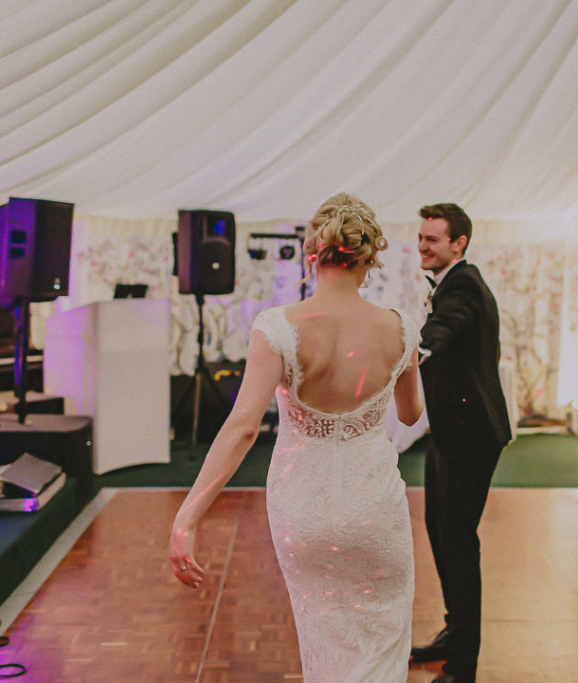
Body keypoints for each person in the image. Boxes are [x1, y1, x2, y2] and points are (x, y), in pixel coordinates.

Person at [169, 193, 423, 682]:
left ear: (313, 253)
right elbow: (410, 415)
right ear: (369, 258)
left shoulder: (277, 327)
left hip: (302, 511)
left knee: (323, 641)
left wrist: (187, 517)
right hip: (375, 510)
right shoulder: (401, 328)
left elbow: (242, 427)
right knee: (382, 647)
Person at [410, 203, 512, 683]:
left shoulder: (463, 285)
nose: (423, 245)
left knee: (457, 542)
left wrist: (411, 352)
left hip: (471, 437)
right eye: (422, 236)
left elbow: (441, 331)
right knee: (439, 530)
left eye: (433, 239)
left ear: (459, 243)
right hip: (450, 432)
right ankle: (455, 632)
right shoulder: (453, 282)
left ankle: (463, 666)